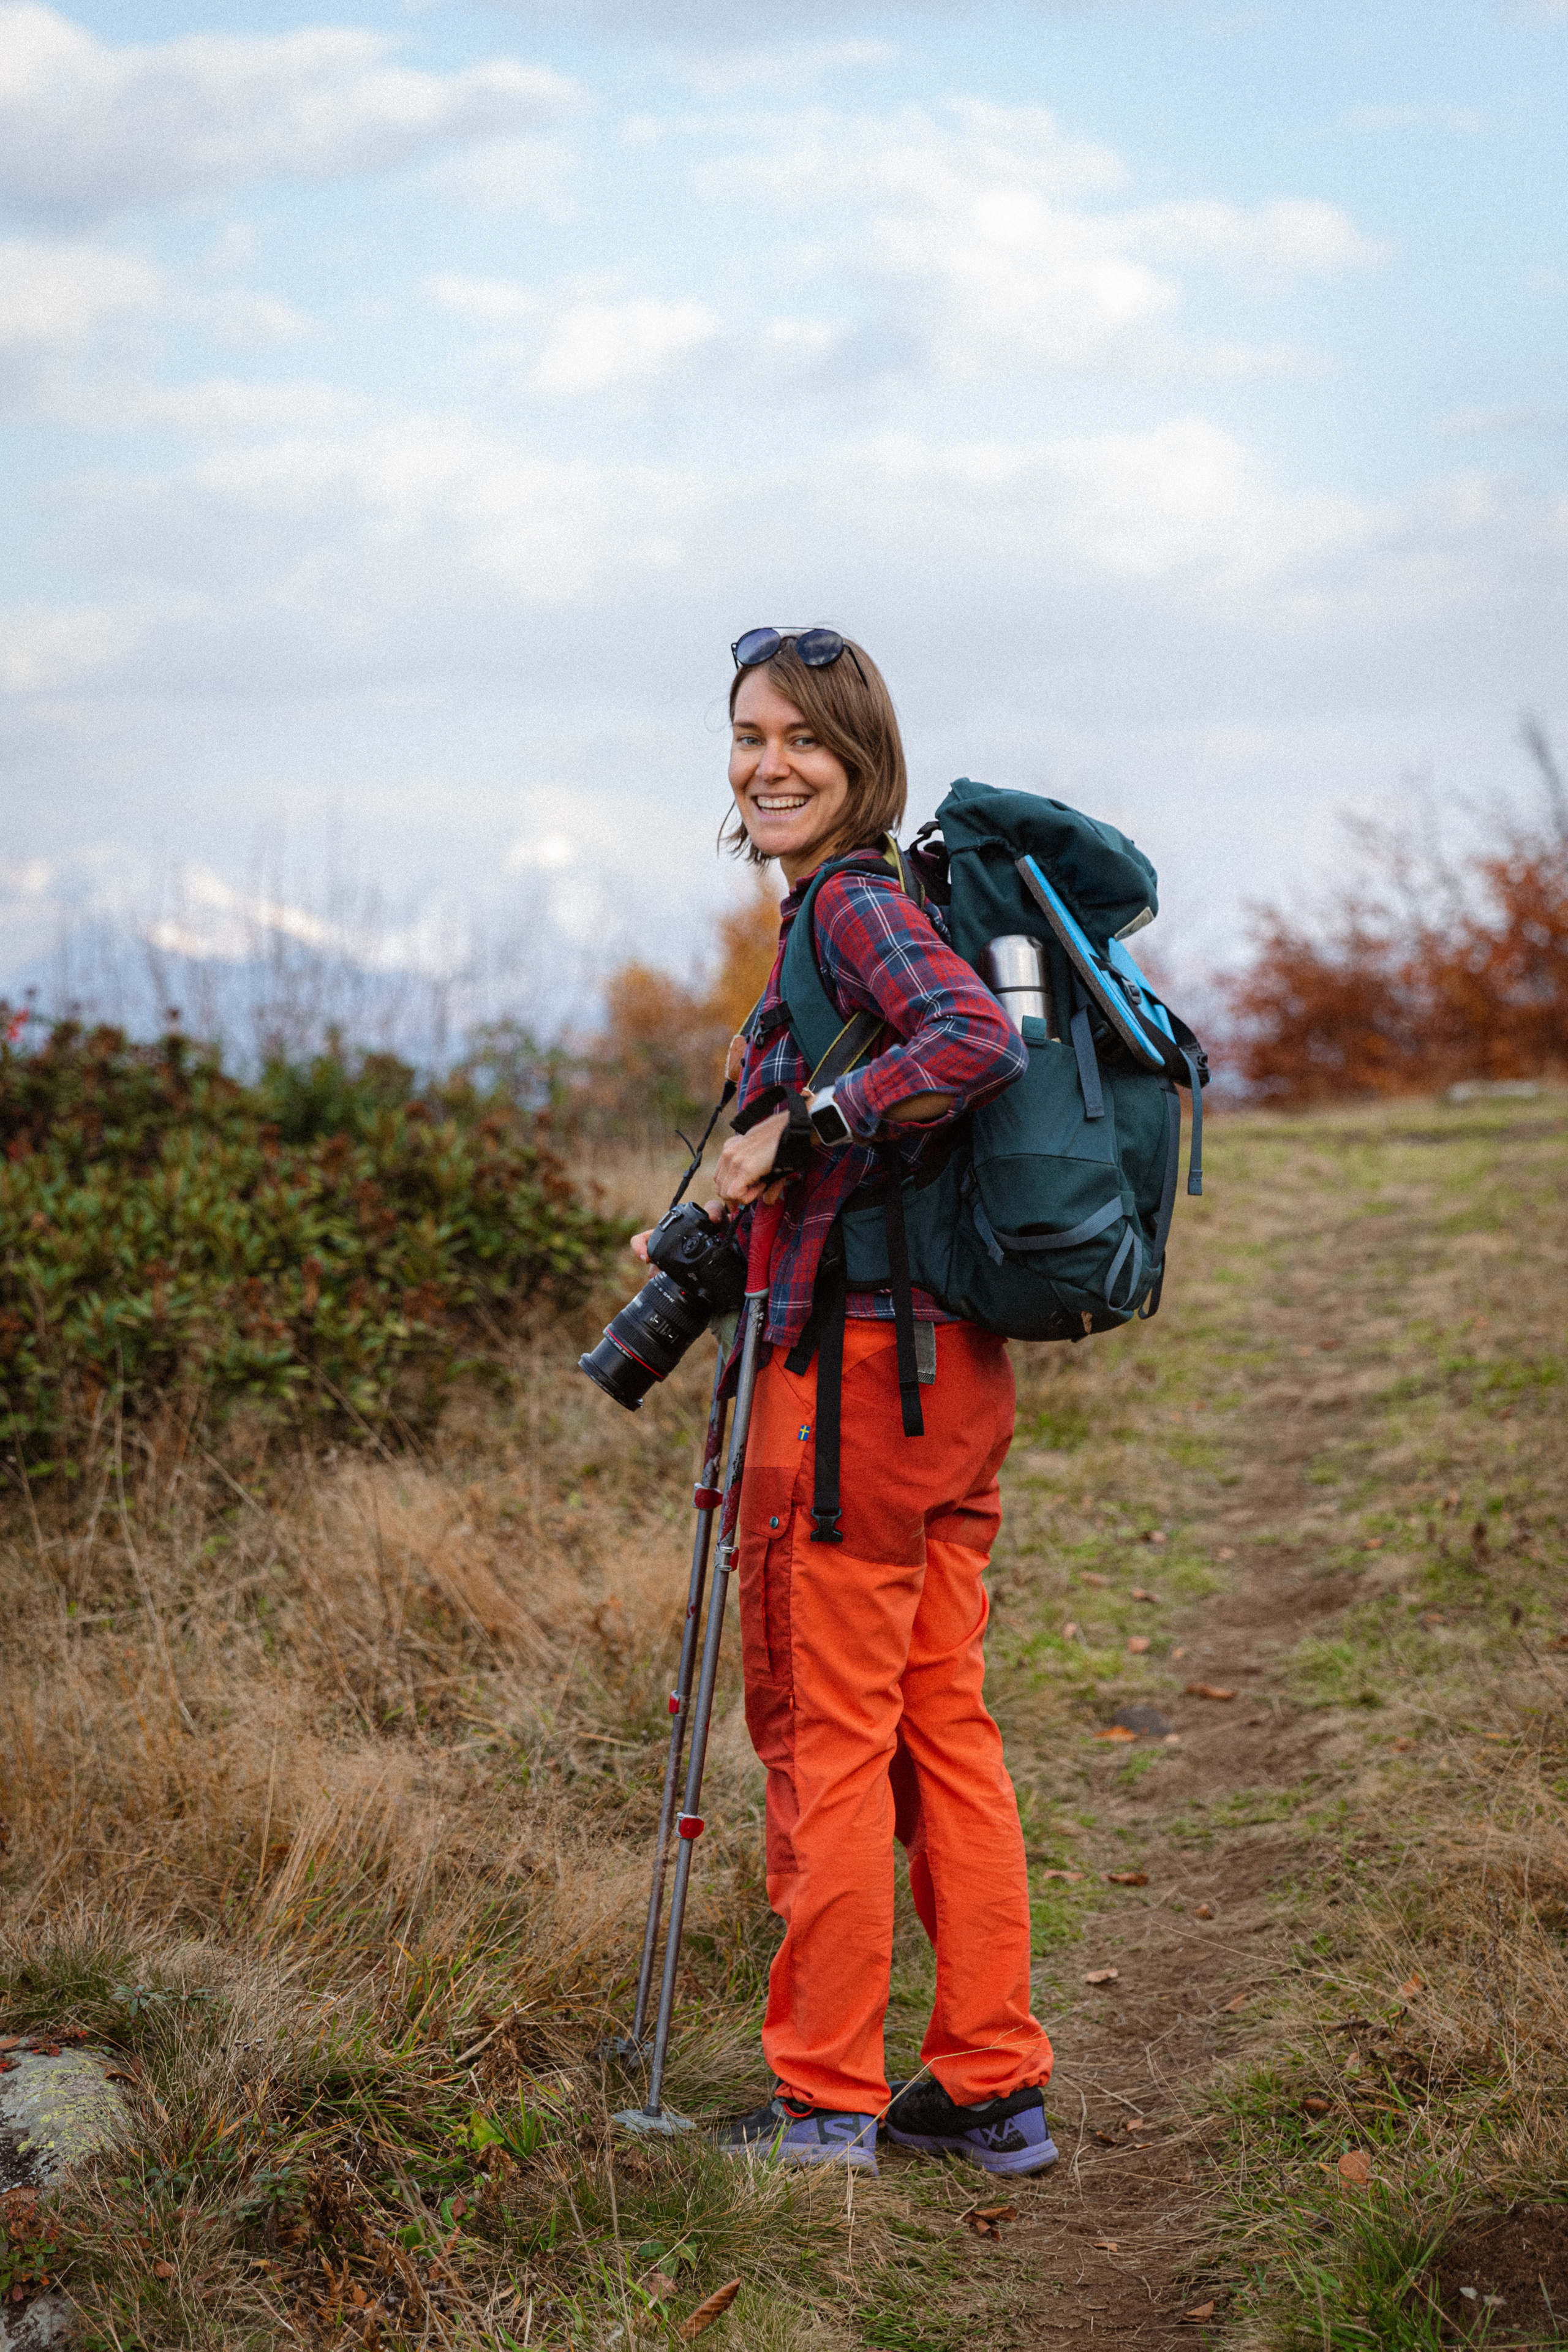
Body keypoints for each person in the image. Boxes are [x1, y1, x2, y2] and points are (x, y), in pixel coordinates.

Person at [631, 627, 1057, 2179]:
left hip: (858, 1392)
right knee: (941, 1729)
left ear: (859, 756)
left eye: (803, 738)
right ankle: (994, 2087)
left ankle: (826, 2103)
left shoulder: (861, 904)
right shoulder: (860, 907)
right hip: (940, 1376)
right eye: (747, 735)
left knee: (826, 1736)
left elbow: (971, 1040)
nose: (767, 763)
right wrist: (741, 1194)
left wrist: (791, 1129)